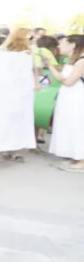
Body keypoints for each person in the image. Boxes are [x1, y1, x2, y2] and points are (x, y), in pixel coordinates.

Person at [48, 35, 84, 172]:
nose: (59, 46)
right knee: (70, 126)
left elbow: (68, 81)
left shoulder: (81, 61)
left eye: (63, 43)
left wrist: (50, 66)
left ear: (73, 45)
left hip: (78, 99)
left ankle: (81, 159)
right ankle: (74, 155)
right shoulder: (72, 60)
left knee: (78, 127)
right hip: (70, 99)